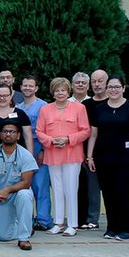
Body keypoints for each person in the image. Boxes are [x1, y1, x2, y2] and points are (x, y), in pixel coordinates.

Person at [86, 75, 129, 241]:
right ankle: (112, 228)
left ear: (123, 88)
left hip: (126, 160)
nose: (113, 90)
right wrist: (90, 157)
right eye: (110, 87)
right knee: (108, 193)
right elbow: (93, 134)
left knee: (121, 193)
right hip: (103, 159)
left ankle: (126, 229)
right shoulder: (99, 109)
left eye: (116, 87)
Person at [36, 77, 90, 237]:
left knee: (71, 189)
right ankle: (58, 222)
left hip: (72, 154)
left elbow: (85, 130)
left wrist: (68, 139)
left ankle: (72, 224)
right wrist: (51, 141)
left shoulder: (79, 108)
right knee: (57, 189)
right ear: (53, 92)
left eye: (63, 90)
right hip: (52, 154)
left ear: (68, 91)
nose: (60, 93)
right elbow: (39, 131)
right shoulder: (45, 109)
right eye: (57, 90)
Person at [0, 123, 38, 250]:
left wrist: (8, 189)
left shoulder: (25, 155)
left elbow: (27, 182)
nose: (8, 134)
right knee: (3, 236)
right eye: (5, 131)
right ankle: (26, 226)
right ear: (0, 135)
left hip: (17, 193)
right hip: (1, 196)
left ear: (18, 136)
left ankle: (24, 238)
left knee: (25, 194)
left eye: (12, 132)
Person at [16, 74, 51, 231]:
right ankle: (27, 218)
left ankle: (43, 219)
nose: (27, 88)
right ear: (21, 87)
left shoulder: (44, 106)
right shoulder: (18, 107)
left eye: (31, 85)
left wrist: (43, 150)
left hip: (39, 146)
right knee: (25, 184)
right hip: (22, 147)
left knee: (40, 184)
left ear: (36, 88)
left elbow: (49, 130)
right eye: (25, 85)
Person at [78, 69, 107, 230]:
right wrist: (85, 154)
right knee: (92, 189)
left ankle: (116, 220)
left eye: (100, 81)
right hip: (91, 153)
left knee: (114, 190)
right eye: (94, 81)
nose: (97, 84)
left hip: (113, 152)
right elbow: (83, 130)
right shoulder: (86, 105)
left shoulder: (115, 101)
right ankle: (92, 219)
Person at [0, 84, 33, 150]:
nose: (2, 98)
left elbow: (28, 137)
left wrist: (30, 156)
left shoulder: (21, 114)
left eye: (5, 95)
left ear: (10, 96)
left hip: (18, 156)